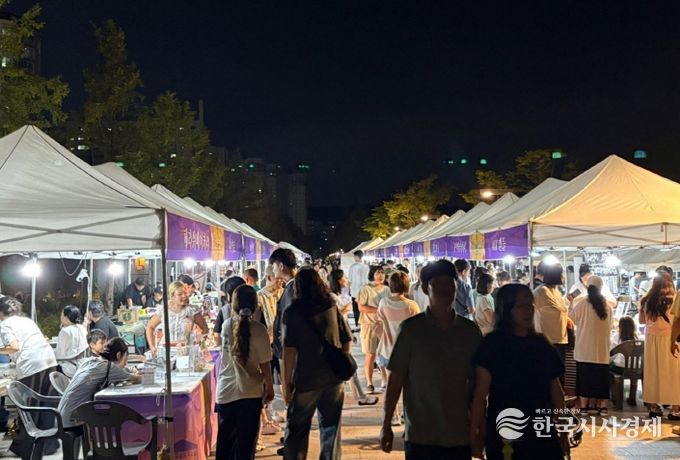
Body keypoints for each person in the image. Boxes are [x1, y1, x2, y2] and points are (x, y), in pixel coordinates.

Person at [380, 260, 482, 459]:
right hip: (421, 434)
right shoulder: (411, 330)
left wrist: (479, 428)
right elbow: (396, 379)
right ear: (426, 288)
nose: (445, 289)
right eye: (438, 284)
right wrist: (386, 425)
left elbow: (477, 385)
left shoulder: (469, 331)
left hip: (458, 432)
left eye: (449, 283)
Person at [470, 284, 565, 459]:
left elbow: (556, 391)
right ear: (506, 309)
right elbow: (480, 395)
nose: (528, 311)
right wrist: (475, 434)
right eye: (521, 306)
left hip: (541, 427)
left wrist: (563, 429)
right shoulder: (492, 345)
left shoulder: (541, 344)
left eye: (530, 305)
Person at [282, 268, 352, 460]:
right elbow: (347, 339)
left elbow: (289, 351)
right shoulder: (330, 306)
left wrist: (286, 383)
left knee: (297, 428)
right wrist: (340, 361)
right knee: (331, 427)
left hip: (306, 378)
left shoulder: (293, 312)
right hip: (333, 378)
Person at [216, 285, 274, 459]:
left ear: (233, 305)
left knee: (225, 446)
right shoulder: (259, 330)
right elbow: (265, 364)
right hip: (250, 393)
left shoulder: (226, 326)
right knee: (246, 447)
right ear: (256, 305)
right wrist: (269, 386)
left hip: (225, 392)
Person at [0, 295, 59, 457]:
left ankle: (23, 447)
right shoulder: (26, 320)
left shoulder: (5, 324)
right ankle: (48, 445)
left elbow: (14, 347)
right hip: (49, 361)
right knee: (45, 404)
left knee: (27, 406)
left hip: (31, 365)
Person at [58, 337, 140, 432]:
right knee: (114, 417)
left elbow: (122, 371)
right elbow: (137, 379)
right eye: (125, 359)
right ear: (118, 355)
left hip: (61, 417)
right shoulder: (108, 367)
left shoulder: (91, 361)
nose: (125, 363)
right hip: (73, 421)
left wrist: (131, 370)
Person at [328, 269, 378, 406]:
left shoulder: (338, 295)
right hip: (338, 337)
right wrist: (346, 308)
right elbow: (334, 316)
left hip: (342, 334)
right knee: (349, 365)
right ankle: (359, 396)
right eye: (344, 278)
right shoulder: (331, 296)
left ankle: (357, 396)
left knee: (347, 366)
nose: (347, 280)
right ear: (338, 280)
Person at [376, 271, 420, 425]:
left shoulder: (383, 303)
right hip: (408, 353)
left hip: (388, 350)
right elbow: (418, 330)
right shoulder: (412, 305)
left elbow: (378, 325)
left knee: (391, 385)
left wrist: (383, 338)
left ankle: (393, 416)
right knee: (409, 386)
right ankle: (407, 416)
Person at [569, 276, 615, 415]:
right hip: (601, 350)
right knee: (601, 379)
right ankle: (603, 406)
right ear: (601, 288)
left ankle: (584, 407)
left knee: (584, 379)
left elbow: (572, 319)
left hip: (584, 350)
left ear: (588, 287)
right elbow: (611, 326)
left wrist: (570, 303)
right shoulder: (607, 306)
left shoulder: (582, 304)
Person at [639, 272, 680, 419]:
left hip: (651, 340)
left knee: (653, 372)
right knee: (673, 373)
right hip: (671, 339)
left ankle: (654, 407)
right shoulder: (674, 299)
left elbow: (642, 321)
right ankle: (675, 409)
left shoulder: (646, 300)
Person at [145, 281, 204, 357]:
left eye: (185, 293)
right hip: (166, 353)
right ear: (172, 296)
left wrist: (198, 342)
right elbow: (150, 327)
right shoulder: (163, 310)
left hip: (185, 354)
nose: (184, 296)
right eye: (180, 294)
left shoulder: (192, 310)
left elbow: (204, 329)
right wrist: (152, 346)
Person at [533, 263, 570, 381]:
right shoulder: (541, 292)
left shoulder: (556, 292)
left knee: (559, 374)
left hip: (560, 339)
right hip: (547, 341)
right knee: (550, 376)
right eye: (561, 273)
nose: (563, 276)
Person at [357, 265, 389, 393]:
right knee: (370, 354)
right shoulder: (365, 289)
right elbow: (361, 307)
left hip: (384, 325)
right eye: (378, 273)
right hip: (369, 325)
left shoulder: (387, 289)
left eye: (382, 273)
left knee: (384, 354)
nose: (381, 275)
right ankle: (369, 383)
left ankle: (384, 380)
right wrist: (379, 310)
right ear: (372, 274)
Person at [611, 316, 640, 405]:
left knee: (610, 369)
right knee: (634, 374)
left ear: (620, 326)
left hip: (620, 369)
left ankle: (615, 396)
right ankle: (632, 397)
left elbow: (611, 353)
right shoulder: (637, 338)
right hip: (636, 368)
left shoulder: (616, 337)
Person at [54, 305, 89, 378]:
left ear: (66, 317)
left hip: (68, 368)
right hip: (82, 366)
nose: (60, 317)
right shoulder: (82, 328)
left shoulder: (65, 331)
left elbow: (60, 353)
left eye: (62, 315)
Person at [214, 277, 247, 346]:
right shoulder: (256, 309)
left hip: (229, 350)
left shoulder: (224, 310)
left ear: (228, 295)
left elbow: (217, 338)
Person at [348, 250, 370, 327]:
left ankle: (358, 324)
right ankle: (364, 323)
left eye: (354, 256)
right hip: (365, 291)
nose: (354, 258)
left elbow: (350, 280)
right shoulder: (367, 267)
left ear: (357, 257)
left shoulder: (352, 267)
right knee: (364, 307)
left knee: (356, 309)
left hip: (355, 291)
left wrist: (349, 289)